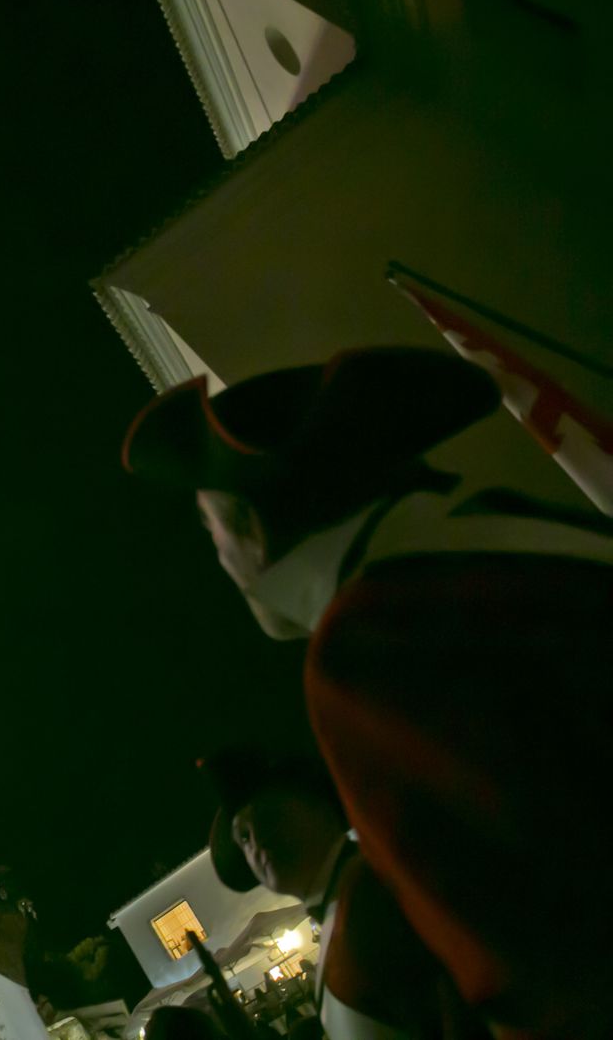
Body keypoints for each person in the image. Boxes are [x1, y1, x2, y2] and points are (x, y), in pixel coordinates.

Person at [124, 347, 613, 1038]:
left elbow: (545, 968)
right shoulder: (507, 539)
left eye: (212, 534)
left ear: (249, 529)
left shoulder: (379, 638)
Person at [200, 746, 473, 1039]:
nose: (256, 838)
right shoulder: (342, 905)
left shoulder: (374, 888)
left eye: (267, 815)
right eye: (243, 837)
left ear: (318, 803)